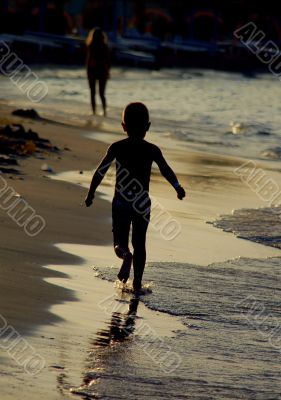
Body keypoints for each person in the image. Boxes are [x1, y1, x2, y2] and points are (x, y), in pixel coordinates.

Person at [85, 102, 185, 293]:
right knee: (140, 244)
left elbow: (100, 171)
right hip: (141, 201)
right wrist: (177, 187)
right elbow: (165, 170)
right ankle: (137, 284)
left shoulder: (117, 147)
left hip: (122, 200)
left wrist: (91, 194)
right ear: (148, 126)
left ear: (123, 126)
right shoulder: (152, 149)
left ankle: (125, 257)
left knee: (119, 243)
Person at [86, 27, 110, 116]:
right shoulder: (104, 46)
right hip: (102, 71)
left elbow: (89, 60)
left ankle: (94, 112)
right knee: (102, 94)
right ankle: (104, 112)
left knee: (92, 93)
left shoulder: (91, 45)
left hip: (92, 70)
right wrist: (107, 72)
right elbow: (108, 61)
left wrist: (87, 72)